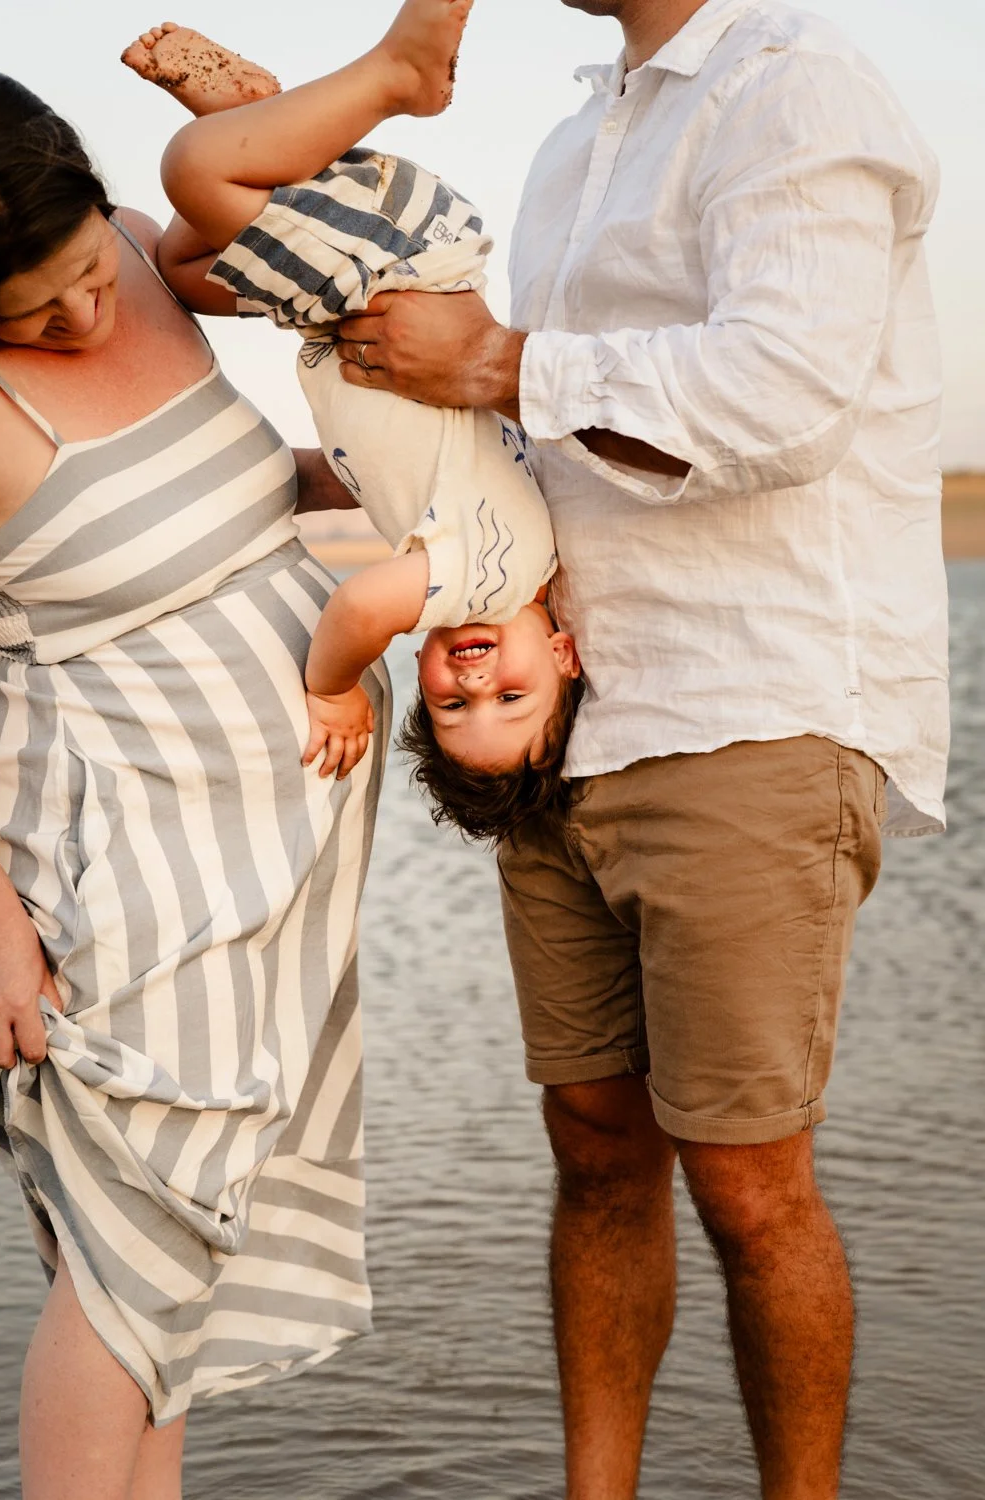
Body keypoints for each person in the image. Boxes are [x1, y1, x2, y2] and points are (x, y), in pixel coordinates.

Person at [332, 0, 950, 1495]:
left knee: (750, 1183)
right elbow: (538, 454)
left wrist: (491, 363)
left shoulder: (796, 91)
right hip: (566, 727)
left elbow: (781, 398)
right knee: (596, 1150)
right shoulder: (571, 140)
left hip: (750, 713)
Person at [0, 61, 390, 1500]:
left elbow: (199, 491)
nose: (79, 315)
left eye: (86, 269)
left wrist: (364, 477)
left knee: (166, 1272)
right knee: (125, 1254)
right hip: (118, 866)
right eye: (26, 310)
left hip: (263, 866)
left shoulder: (148, 275)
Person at [122, 10, 583, 837]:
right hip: (398, 274)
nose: (475, 682)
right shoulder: (491, 580)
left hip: (356, 298)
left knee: (183, 269)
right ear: (562, 658)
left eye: (450, 704)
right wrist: (332, 689)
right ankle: (398, 74)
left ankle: (259, 123)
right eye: (511, 698)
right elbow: (363, 609)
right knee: (193, 174)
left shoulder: (528, 554)